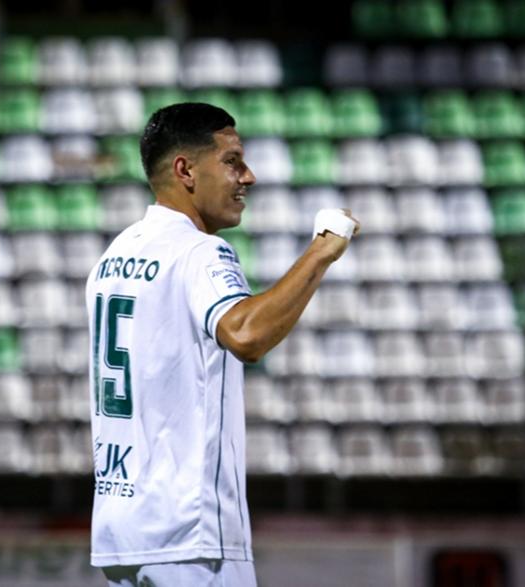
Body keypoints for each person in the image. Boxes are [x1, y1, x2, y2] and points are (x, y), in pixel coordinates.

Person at [86, 102, 359, 586]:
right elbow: (245, 334)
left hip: (122, 533)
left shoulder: (115, 255)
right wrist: (321, 252)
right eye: (232, 161)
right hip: (189, 535)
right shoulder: (200, 251)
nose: (248, 177)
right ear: (185, 170)